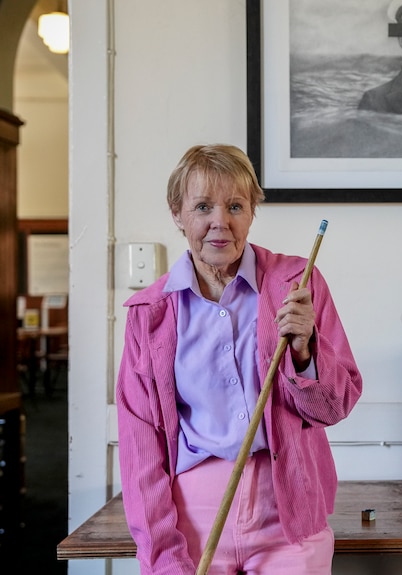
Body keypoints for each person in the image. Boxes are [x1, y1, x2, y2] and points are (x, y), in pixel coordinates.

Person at [116, 144, 363, 574]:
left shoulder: (296, 284)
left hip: (288, 511)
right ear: (177, 213)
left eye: (235, 205)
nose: (220, 222)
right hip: (190, 519)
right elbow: (140, 452)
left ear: (252, 211)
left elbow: (334, 407)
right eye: (203, 207)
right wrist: (164, 557)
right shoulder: (150, 314)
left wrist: (305, 350)